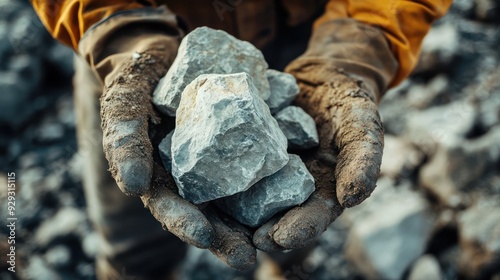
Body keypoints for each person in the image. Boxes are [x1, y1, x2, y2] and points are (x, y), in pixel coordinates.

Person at [31, 1, 452, 279]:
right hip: (136, 55)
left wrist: (364, 39)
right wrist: (119, 32)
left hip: (316, 35)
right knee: (133, 240)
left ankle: (289, 266)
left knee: (300, 220)